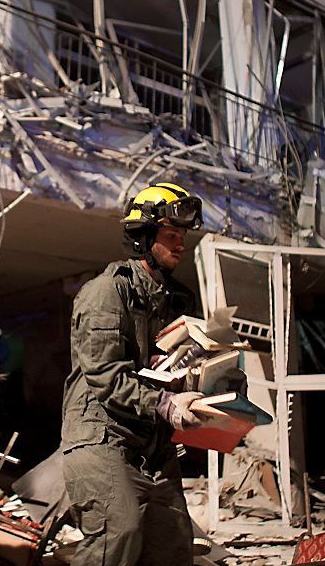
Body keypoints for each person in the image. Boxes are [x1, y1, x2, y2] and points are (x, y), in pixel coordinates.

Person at [61, 182, 206, 566]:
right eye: (171, 235)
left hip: (153, 444)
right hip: (100, 437)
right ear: (143, 239)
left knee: (174, 545)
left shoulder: (180, 300)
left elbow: (181, 366)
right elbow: (106, 374)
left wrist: (211, 384)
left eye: (182, 236)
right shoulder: (106, 293)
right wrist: (167, 403)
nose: (180, 244)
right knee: (118, 532)